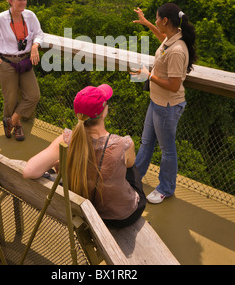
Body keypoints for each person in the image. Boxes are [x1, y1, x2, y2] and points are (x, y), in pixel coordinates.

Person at [23, 84, 146, 228]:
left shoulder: (67, 139)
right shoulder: (123, 143)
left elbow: (29, 171)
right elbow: (130, 164)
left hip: (82, 212)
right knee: (131, 168)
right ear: (104, 112)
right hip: (120, 218)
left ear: (77, 114)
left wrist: (63, 162)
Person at [131, 3, 197, 204]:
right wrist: (147, 23)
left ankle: (166, 188)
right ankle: (134, 179)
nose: (156, 21)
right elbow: (162, 39)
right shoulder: (171, 40)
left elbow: (175, 85)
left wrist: (148, 75)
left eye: (157, 18)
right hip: (156, 102)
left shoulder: (177, 50)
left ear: (165, 20)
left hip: (168, 106)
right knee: (146, 143)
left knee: (167, 150)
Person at [0, 0, 43, 142]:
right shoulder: (0, 19)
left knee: (33, 95)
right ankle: (17, 126)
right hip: (6, 62)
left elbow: (38, 33)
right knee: (10, 99)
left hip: (25, 61)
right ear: (10, 0)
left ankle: (11, 120)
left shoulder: (30, 16)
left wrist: (35, 46)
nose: (23, 2)